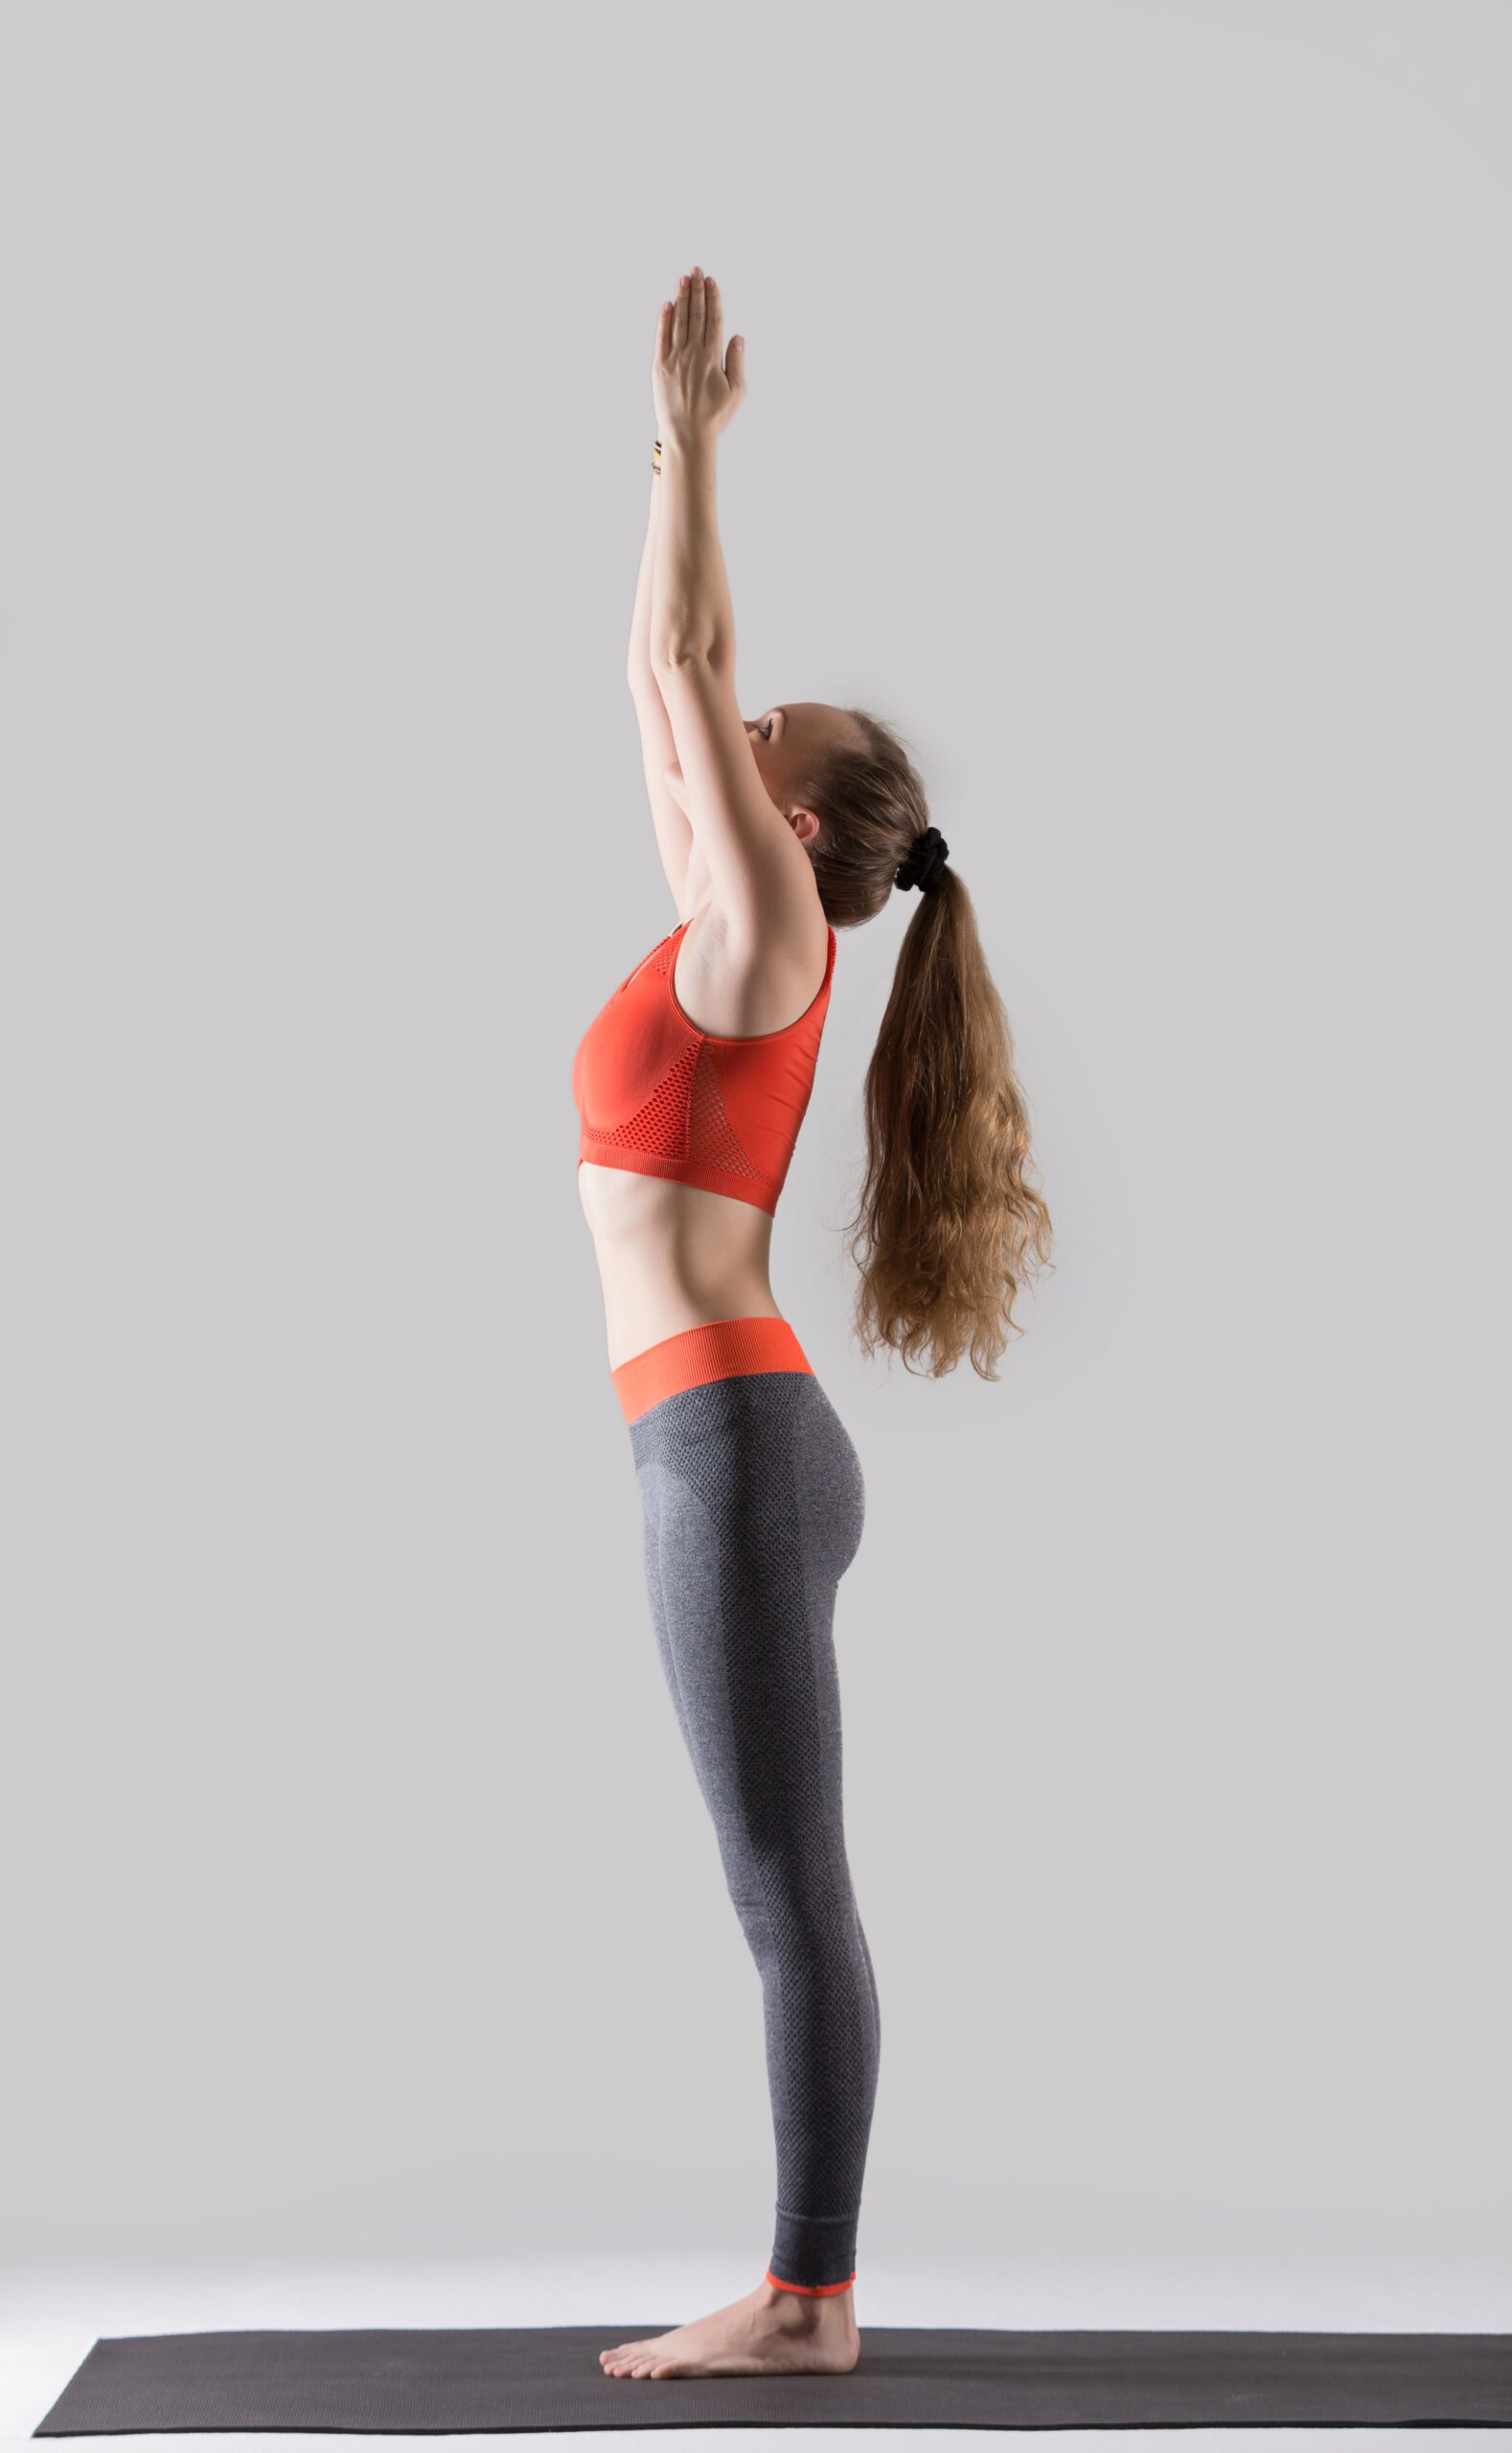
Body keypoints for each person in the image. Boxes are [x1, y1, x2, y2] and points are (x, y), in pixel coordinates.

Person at [574, 266, 1051, 2382]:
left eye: (774, 737)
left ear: (801, 821)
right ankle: (804, 2284)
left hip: (736, 1454)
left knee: (785, 1882)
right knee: (776, 1870)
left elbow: (685, 653)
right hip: (723, 1441)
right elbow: (657, 657)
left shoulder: (766, 931)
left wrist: (694, 439)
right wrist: (672, 469)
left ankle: (807, 2298)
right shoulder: (737, 916)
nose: (738, 722)